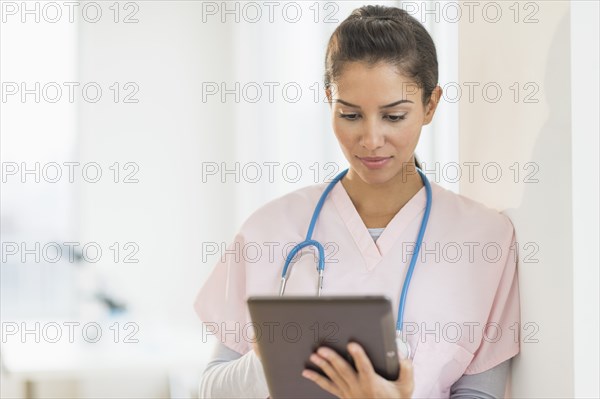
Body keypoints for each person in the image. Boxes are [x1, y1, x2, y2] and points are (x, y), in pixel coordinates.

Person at [194, 5, 520, 399]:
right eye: (350, 114)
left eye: (394, 116)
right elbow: (211, 389)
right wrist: (268, 360)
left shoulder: (485, 239)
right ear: (329, 98)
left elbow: (481, 393)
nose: (371, 139)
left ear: (431, 105)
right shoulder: (269, 229)